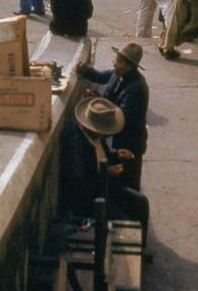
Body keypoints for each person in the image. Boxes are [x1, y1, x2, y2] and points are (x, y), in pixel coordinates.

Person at [64, 97, 150, 244]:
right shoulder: (76, 145)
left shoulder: (96, 137)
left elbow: (104, 154)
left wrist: (117, 154)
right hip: (90, 200)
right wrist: (106, 173)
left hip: (106, 188)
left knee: (141, 203)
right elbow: (80, 186)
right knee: (124, 220)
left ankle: (140, 248)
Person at [77, 43, 149, 191]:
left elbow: (122, 116)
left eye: (120, 62)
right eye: (116, 59)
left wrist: (101, 105)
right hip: (116, 141)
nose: (115, 64)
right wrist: (85, 70)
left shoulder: (137, 88)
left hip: (130, 141)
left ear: (130, 67)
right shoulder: (118, 74)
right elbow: (101, 76)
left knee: (129, 182)